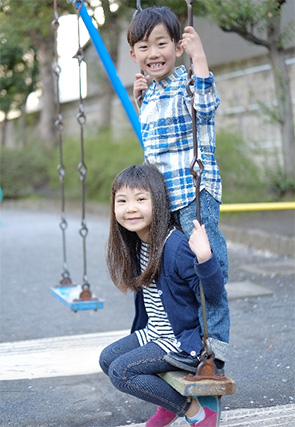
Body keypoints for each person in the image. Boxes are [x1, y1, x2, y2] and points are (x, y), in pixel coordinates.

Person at [127, 6, 230, 376]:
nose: (154, 53)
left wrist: (200, 57)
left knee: (209, 270)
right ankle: (185, 343)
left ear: (177, 45)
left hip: (194, 198)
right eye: (144, 46)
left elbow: (205, 105)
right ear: (133, 54)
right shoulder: (152, 92)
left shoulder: (189, 82)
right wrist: (140, 99)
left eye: (162, 44)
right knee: (173, 277)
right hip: (164, 202)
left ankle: (213, 352)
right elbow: (155, 142)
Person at [99, 163, 227, 427]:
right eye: (121, 201)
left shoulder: (175, 246)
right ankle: (168, 406)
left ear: (157, 201)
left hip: (181, 339)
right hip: (156, 331)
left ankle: (195, 412)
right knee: (107, 359)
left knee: (122, 372)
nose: (130, 208)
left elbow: (213, 295)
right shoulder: (138, 243)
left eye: (140, 199)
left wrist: (205, 258)